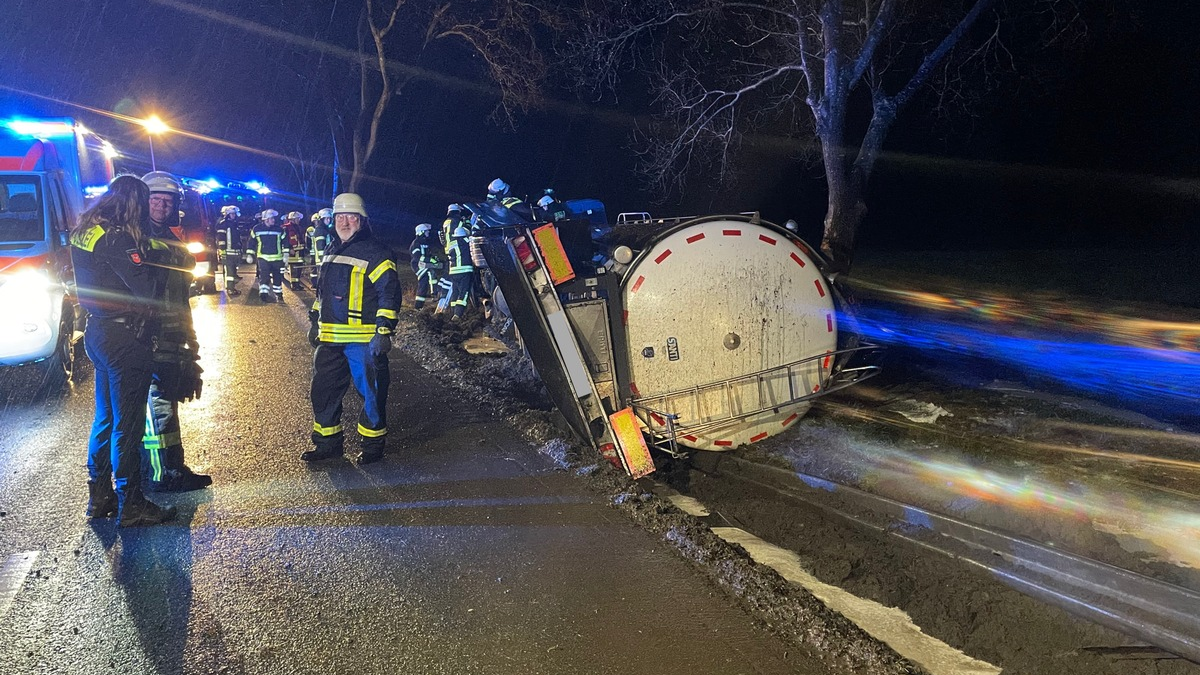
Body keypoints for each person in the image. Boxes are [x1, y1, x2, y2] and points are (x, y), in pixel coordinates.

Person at [70, 175, 176, 526]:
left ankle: (99, 495)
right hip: (124, 338)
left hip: (97, 331)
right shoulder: (117, 238)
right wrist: (153, 261)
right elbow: (145, 288)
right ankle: (131, 502)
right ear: (133, 204)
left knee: (105, 419)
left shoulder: (87, 231)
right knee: (127, 425)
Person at [302, 193, 401, 465]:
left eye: (351, 217)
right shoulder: (331, 249)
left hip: (363, 341)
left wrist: (383, 331)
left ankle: (372, 447)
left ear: (362, 220)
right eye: (340, 217)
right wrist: (315, 319)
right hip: (330, 339)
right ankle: (328, 445)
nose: (345, 222)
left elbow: (389, 294)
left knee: (371, 394)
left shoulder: (377, 252)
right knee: (323, 392)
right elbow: (323, 292)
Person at [141, 171, 210, 493]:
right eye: (155, 199)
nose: (161, 205)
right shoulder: (135, 239)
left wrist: (188, 345)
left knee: (165, 401)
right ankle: (160, 474)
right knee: (156, 404)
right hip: (149, 337)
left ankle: (170, 467)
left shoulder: (171, 240)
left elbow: (180, 298)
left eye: (167, 201)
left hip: (172, 333)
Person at [246, 208, 289, 302]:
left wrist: (286, 254)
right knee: (264, 276)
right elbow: (251, 242)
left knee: (277, 277)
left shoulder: (279, 229)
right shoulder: (256, 229)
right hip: (263, 257)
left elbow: (286, 241)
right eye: (272, 218)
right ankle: (263, 294)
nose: (274, 220)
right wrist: (249, 254)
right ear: (266, 219)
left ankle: (279, 294)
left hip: (277, 258)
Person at [435, 204, 467, 313]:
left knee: (449, 276)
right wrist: (466, 222)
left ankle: (442, 295)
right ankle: (452, 308)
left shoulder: (446, 222)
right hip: (458, 250)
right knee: (454, 281)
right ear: (457, 212)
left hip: (449, 250)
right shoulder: (457, 221)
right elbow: (465, 231)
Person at [409, 223, 443, 310]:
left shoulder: (425, 242)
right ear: (421, 232)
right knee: (427, 279)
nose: (428, 233)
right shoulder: (415, 243)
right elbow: (417, 257)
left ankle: (432, 295)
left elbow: (428, 255)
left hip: (424, 265)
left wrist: (433, 258)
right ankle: (431, 296)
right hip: (417, 265)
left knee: (427, 280)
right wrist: (430, 260)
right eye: (426, 231)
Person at [445, 223, 475, 320]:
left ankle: (453, 312)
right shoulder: (466, 241)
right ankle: (458, 314)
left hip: (453, 272)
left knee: (455, 292)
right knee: (463, 292)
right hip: (464, 271)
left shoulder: (451, 244)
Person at [215, 206, 243, 296]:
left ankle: (232, 287)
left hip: (234, 251)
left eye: (234, 214)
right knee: (229, 272)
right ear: (227, 215)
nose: (234, 215)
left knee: (232, 272)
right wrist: (222, 249)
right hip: (227, 251)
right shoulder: (223, 224)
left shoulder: (234, 224)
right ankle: (230, 289)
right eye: (232, 214)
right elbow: (221, 237)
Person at [306, 208, 333, 286]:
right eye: (327, 218)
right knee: (324, 282)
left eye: (329, 218)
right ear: (322, 219)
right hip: (323, 260)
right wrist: (323, 259)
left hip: (327, 259)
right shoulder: (320, 230)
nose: (328, 220)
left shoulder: (325, 229)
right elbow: (320, 248)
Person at [282, 211, 306, 289]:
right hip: (292, 252)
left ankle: (297, 284)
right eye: (297, 218)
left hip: (300, 251)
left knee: (299, 268)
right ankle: (294, 285)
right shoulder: (286, 228)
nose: (299, 220)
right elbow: (285, 240)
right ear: (292, 219)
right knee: (293, 268)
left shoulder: (299, 227)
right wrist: (289, 248)